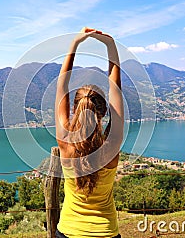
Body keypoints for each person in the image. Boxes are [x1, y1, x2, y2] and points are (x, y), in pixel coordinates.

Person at [55, 27, 124, 238]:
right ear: (103, 112)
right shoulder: (111, 146)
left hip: (68, 232)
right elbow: (115, 87)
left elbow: (61, 85)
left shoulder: (65, 144)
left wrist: (74, 44)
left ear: (75, 109)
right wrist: (110, 45)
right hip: (106, 232)